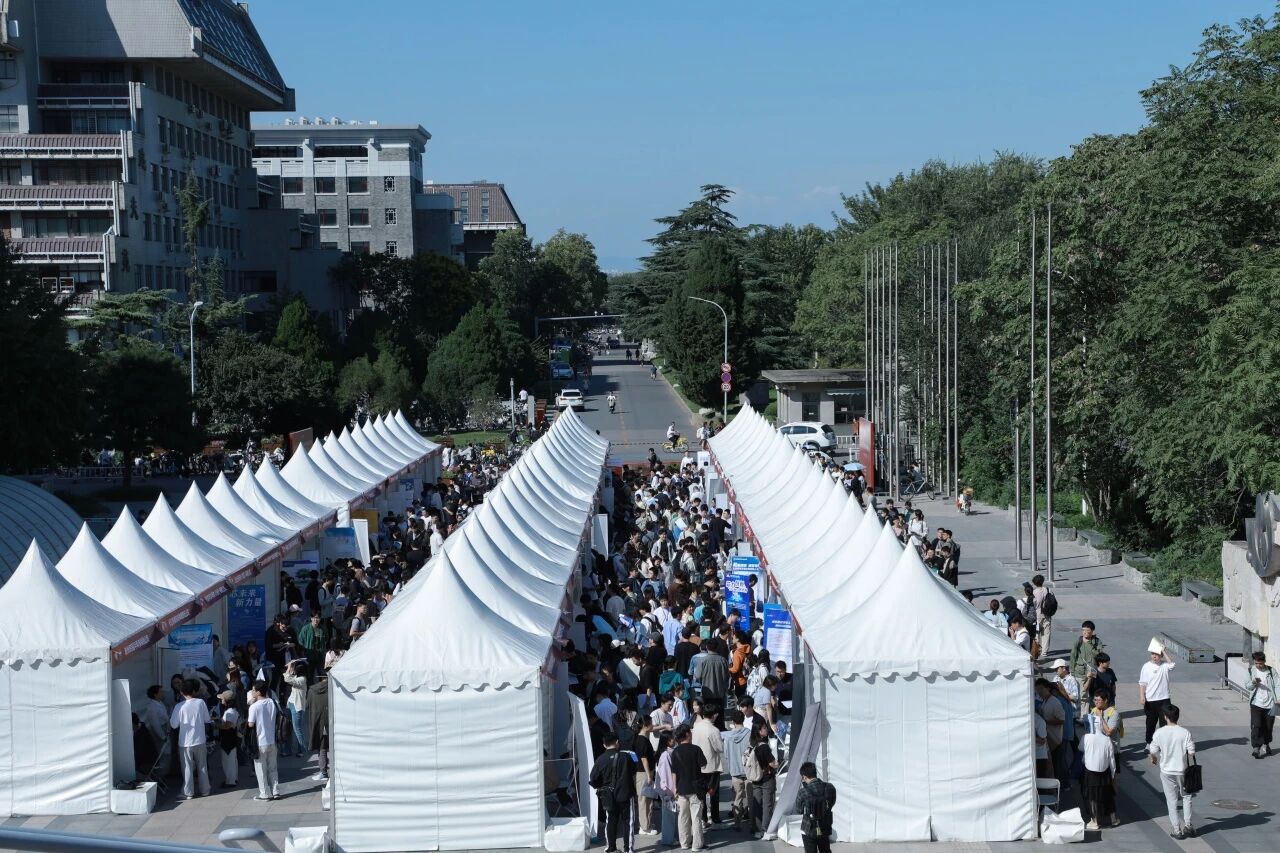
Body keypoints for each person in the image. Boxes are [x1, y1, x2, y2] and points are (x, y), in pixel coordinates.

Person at [1148, 704, 1196, 839]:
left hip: (1166, 770)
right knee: (1187, 797)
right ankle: (1188, 825)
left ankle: (1177, 830)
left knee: (1171, 801)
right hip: (1182, 770)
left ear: (1165, 717)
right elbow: (1191, 752)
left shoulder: (1159, 733)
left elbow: (1153, 750)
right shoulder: (1185, 732)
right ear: (1177, 716)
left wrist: (1154, 759)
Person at [589, 732, 637, 853]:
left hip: (608, 795)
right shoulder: (626, 757)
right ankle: (628, 849)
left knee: (611, 821)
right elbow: (633, 771)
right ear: (617, 742)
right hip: (626, 793)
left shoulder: (600, 759)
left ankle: (611, 848)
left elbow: (593, 778)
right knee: (628, 821)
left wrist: (601, 787)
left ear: (604, 745)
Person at [169, 679, 211, 799]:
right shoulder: (201, 702)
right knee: (202, 766)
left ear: (181, 692)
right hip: (200, 739)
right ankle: (205, 790)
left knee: (187, 767)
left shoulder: (179, 706)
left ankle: (188, 792)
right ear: (194, 691)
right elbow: (207, 719)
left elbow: (174, 725)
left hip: (185, 741)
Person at [669, 726, 707, 851]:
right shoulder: (696, 749)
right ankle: (696, 845)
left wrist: (674, 788)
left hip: (681, 789)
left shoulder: (675, 752)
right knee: (696, 818)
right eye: (690, 732)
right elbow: (703, 765)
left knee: (683, 817)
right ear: (687, 734)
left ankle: (684, 843)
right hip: (695, 788)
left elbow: (674, 772)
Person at [246, 680, 280, 801]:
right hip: (272, 740)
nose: (252, 692)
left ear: (258, 692)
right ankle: (276, 791)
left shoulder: (254, 706)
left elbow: (250, 724)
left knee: (261, 770)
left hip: (260, 742)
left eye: (253, 690)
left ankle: (264, 794)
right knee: (273, 768)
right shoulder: (272, 702)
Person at [691, 705, 724, 825]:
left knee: (701, 794)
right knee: (713, 793)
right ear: (714, 715)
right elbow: (719, 748)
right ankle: (715, 819)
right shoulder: (713, 730)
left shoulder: (696, 727)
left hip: (698, 765)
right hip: (711, 765)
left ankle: (703, 818)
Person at [795, 761, 837, 853]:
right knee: (825, 850)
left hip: (809, 827)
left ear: (804, 777)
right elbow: (832, 803)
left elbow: (798, 810)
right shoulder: (830, 787)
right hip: (825, 825)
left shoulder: (803, 792)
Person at [720, 710, 751, 831]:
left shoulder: (728, 737)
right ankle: (753, 823)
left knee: (737, 797)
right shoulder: (749, 733)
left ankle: (737, 823)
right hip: (748, 770)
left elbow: (726, 754)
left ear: (732, 721)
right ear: (743, 719)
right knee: (750, 797)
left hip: (735, 770)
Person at [1081, 728, 1118, 830]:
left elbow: (1080, 748)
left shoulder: (1086, 737)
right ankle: (1113, 819)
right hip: (1105, 772)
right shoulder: (1107, 739)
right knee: (1108, 795)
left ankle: (1095, 821)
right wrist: (1113, 773)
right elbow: (1111, 758)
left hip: (1090, 772)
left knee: (1092, 797)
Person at [747, 718, 778, 839]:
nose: (766, 729)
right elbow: (772, 763)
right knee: (767, 805)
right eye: (764, 728)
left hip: (755, 779)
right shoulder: (764, 747)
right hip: (767, 778)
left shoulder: (752, 746)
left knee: (757, 805)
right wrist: (777, 763)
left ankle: (757, 829)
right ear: (759, 731)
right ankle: (766, 830)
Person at [1140, 645, 1176, 745]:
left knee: (1165, 723)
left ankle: (1163, 743)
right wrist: (1142, 696)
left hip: (1164, 699)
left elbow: (1172, 665)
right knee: (1150, 723)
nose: (1154, 656)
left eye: (1157, 654)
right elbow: (1142, 683)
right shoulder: (1146, 666)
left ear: (1161, 656)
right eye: (1153, 654)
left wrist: (1164, 651)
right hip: (1150, 699)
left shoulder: (1165, 665)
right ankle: (1149, 743)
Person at [1248, 650, 1277, 758]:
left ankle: (1266, 743)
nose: (1258, 665)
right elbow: (1247, 686)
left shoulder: (1271, 671)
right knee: (1257, 725)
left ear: (1264, 661)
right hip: (1256, 703)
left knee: (1268, 727)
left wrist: (1278, 698)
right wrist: (1253, 683)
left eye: (1260, 663)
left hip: (1270, 704)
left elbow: (1278, 685)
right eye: (1256, 663)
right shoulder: (1251, 670)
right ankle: (1256, 748)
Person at [281, 659, 309, 759]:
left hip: (298, 707)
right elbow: (288, 675)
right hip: (291, 704)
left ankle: (302, 750)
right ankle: (287, 750)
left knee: (297, 729)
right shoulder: (297, 677)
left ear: (299, 670)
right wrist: (291, 667)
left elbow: (287, 679)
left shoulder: (302, 679)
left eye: (295, 669)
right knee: (287, 727)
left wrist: (289, 667)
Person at [215, 690, 241, 788]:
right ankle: (233, 779)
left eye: (222, 699)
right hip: (231, 738)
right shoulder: (233, 711)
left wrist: (216, 725)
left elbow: (227, 726)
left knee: (228, 761)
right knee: (232, 760)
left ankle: (230, 781)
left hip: (228, 739)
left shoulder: (229, 713)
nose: (221, 700)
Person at [1031, 574, 1052, 659]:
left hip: (1037, 615)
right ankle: (1044, 651)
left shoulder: (1034, 592)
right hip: (1047, 614)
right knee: (1046, 633)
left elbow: (1033, 604)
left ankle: (1037, 649)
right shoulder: (1048, 590)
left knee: (1037, 633)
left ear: (1035, 583)